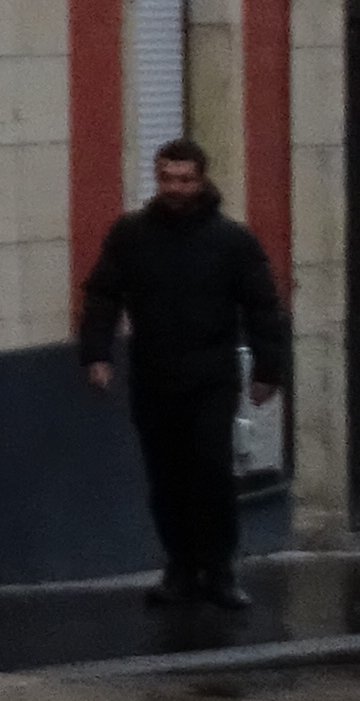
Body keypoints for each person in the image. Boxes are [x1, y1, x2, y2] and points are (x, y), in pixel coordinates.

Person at [79, 135, 289, 612]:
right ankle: (179, 567)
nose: (175, 188)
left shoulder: (233, 242)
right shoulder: (130, 235)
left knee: (211, 472)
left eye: (185, 180)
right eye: (167, 179)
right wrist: (97, 353)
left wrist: (267, 370)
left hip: (211, 375)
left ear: (202, 180)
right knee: (166, 476)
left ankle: (219, 570)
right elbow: (103, 294)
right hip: (153, 373)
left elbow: (262, 306)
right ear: (157, 179)